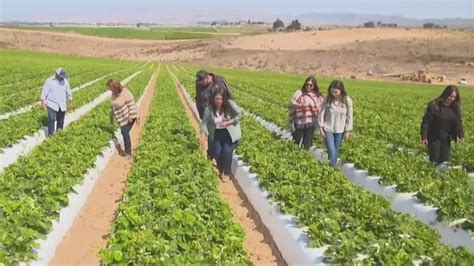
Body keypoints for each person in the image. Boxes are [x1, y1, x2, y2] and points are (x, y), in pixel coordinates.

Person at [201, 89, 242, 182]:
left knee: (227, 151)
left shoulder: (229, 105)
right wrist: (203, 136)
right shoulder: (209, 109)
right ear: (213, 99)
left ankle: (226, 173)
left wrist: (228, 122)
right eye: (216, 99)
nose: (218, 101)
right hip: (217, 133)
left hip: (230, 133)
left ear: (224, 99)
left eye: (220, 99)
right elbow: (204, 123)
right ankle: (221, 169)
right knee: (217, 152)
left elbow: (239, 115)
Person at [421, 85, 464, 167]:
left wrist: (460, 134)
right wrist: (424, 136)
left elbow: (459, 121)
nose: (452, 98)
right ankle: (431, 176)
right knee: (434, 159)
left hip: (446, 137)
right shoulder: (435, 106)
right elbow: (425, 122)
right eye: (450, 96)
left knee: (444, 160)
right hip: (433, 137)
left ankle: (441, 177)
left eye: (454, 97)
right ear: (445, 94)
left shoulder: (455, 107)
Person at [195, 70, 234, 159]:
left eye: (202, 81)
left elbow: (229, 95)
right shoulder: (198, 85)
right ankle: (210, 156)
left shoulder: (220, 81)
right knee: (211, 137)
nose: (201, 84)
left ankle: (220, 159)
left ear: (208, 77)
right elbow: (198, 100)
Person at [319, 80, 353, 168]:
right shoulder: (328, 99)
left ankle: (331, 167)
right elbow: (322, 113)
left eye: (336, 92)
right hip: (328, 128)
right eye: (332, 91)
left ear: (341, 90)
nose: (333, 93)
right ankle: (332, 168)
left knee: (336, 149)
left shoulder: (347, 100)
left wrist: (348, 130)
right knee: (331, 149)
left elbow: (349, 116)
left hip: (340, 129)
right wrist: (320, 127)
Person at [288, 76, 324, 149]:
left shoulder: (318, 96)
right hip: (298, 121)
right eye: (307, 84)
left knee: (307, 142)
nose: (308, 86)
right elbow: (292, 104)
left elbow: (321, 108)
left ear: (314, 86)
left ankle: (303, 154)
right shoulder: (299, 93)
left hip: (311, 122)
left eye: (311, 85)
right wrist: (302, 106)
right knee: (296, 140)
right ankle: (294, 155)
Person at [107, 79, 138, 159]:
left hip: (130, 116)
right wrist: (111, 116)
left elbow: (131, 104)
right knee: (124, 132)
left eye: (110, 88)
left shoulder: (125, 92)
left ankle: (128, 153)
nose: (109, 89)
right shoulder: (114, 94)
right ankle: (128, 152)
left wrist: (131, 116)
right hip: (122, 119)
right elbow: (113, 106)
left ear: (114, 87)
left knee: (124, 132)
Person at [40, 68, 74, 136]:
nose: (62, 78)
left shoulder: (65, 82)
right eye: (61, 76)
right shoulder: (49, 81)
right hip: (52, 103)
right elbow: (44, 92)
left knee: (61, 120)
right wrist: (42, 103)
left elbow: (68, 93)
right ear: (56, 74)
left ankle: (59, 133)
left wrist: (71, 102)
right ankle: (50, 134)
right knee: (51, 119)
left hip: (62, 104)